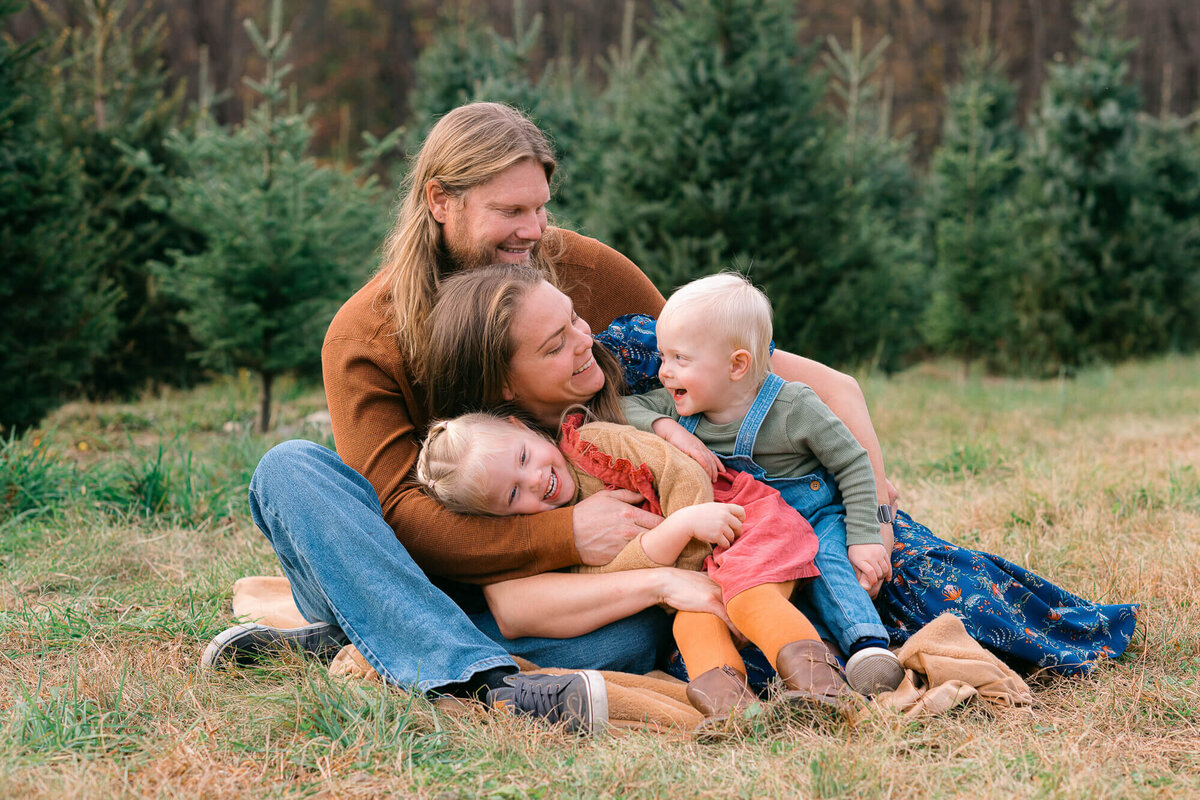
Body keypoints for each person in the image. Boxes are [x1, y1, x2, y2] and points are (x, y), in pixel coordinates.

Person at [203, 102, 880, 733]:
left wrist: (861, 501)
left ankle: (380, 641)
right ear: (440, 200)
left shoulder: (578, 267)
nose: (532, 231)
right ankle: (473, 672)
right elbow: (399, 515)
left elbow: (698, 364)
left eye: (540, 208)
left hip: (561, 598)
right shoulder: (365, 336)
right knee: (289, 468)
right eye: (509, 210)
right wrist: (566, 531)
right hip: (410, 568)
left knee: (632, 634)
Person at [414, 397, 850, 722]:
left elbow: (680, 471)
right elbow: (621, 570)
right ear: (502, 518)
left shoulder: (592, 446)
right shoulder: (564, 542)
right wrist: (675, 561)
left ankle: (821, 688)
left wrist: (682, 536)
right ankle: (737, 715)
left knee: (748, 600)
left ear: (522, 427)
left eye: (524, 457)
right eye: (513, 495)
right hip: (701, 567)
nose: (536, 481)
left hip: (742, 523)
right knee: (693, 623)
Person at [620, 273, 905, 695]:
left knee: (829, 564)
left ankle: (867, 647)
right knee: (715, 599)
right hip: (748, 531)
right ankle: (736, 690)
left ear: (737, 365)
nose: (664, 372)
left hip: (813, 515)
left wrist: (864, 535)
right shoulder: (680, 407)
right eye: (663, 357)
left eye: (680, 359)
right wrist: (667, 428)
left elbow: (854, 464)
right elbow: (625, 407)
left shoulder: (793, 406)